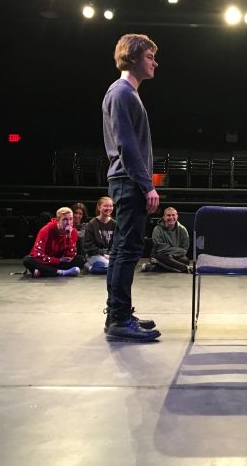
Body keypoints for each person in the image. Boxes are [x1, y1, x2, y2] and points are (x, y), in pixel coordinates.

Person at [101, 33, 161, 343]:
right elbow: (126, 145)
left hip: (126, 180)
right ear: (135, 56)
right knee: (126, 251)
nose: (155, 62)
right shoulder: (123, 92)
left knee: (124, 250)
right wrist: (147, 184)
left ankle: (119, 313)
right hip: (128, 181)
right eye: (150, 56)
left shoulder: (125, 93)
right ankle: (119, 319)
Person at [22, 207, 85, 278]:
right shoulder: (45, 230)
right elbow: (38, 255)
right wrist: (58, 260)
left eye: (71, 219)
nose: (69, 223)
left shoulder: (73, 232)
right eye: (65, 219)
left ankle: (44, 271)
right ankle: (61, 272)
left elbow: (70, 255)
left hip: (59, 261)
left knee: (80, 259)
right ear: (58, 220)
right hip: (45, 260)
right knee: (27, 260)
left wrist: (68, 237)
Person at [146, 206, 191, 273]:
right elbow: (159, 248)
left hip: (175, 256)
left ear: (177, 216)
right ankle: (185, 268)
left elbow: (184, 250)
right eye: (168, 215)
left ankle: (153, 268)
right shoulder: (157, 229)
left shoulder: (182, 229)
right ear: (164, 217)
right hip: (159, 255)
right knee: (159, 255)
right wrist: (174, 251)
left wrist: (171, 254)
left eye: (173, 215)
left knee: (185, 260)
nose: (171, 217)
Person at [83, 197, 116, 274]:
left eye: (110, 206)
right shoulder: (92, 224)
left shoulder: (114, 224)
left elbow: (116, 243)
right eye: (105, 206)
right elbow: (88, 245)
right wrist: (103, 254)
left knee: (120, 266)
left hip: (109, 255)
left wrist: (110, 254)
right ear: (99, 207)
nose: (108, 208)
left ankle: (94, 266)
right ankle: (90, 267)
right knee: (112, 267)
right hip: (94, 254)